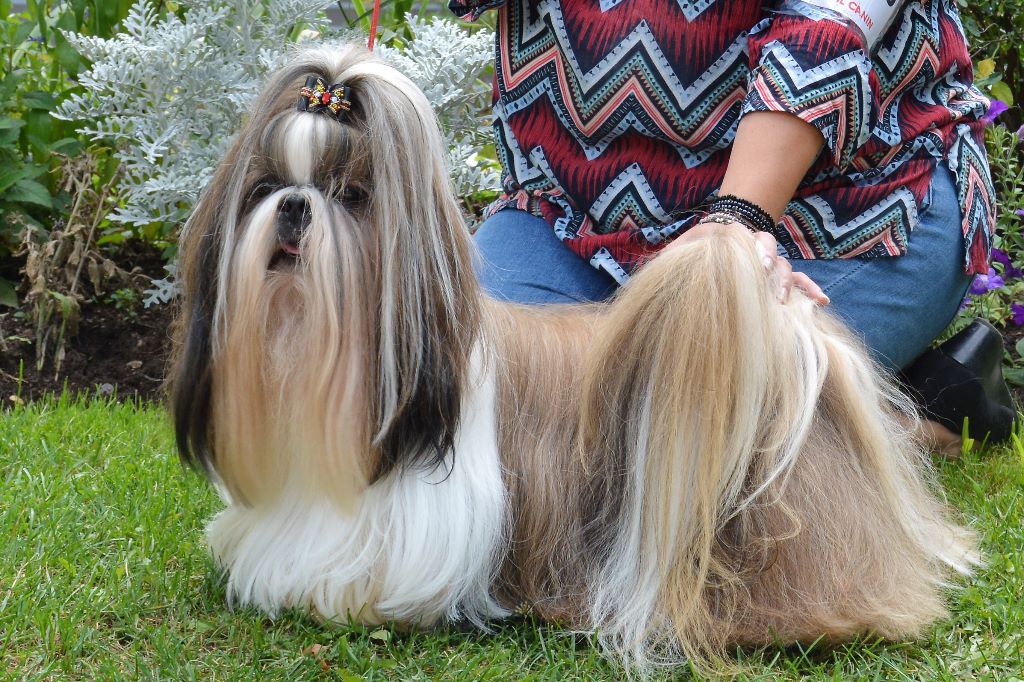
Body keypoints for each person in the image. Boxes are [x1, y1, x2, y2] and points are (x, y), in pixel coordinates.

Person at [448, 0, 1017, 451]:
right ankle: (858, 407)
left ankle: (912, 424)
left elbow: (820, 32)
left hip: (842, 211)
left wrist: (737, 223)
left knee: (682, 438)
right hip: (575, 215)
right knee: (466, 398)